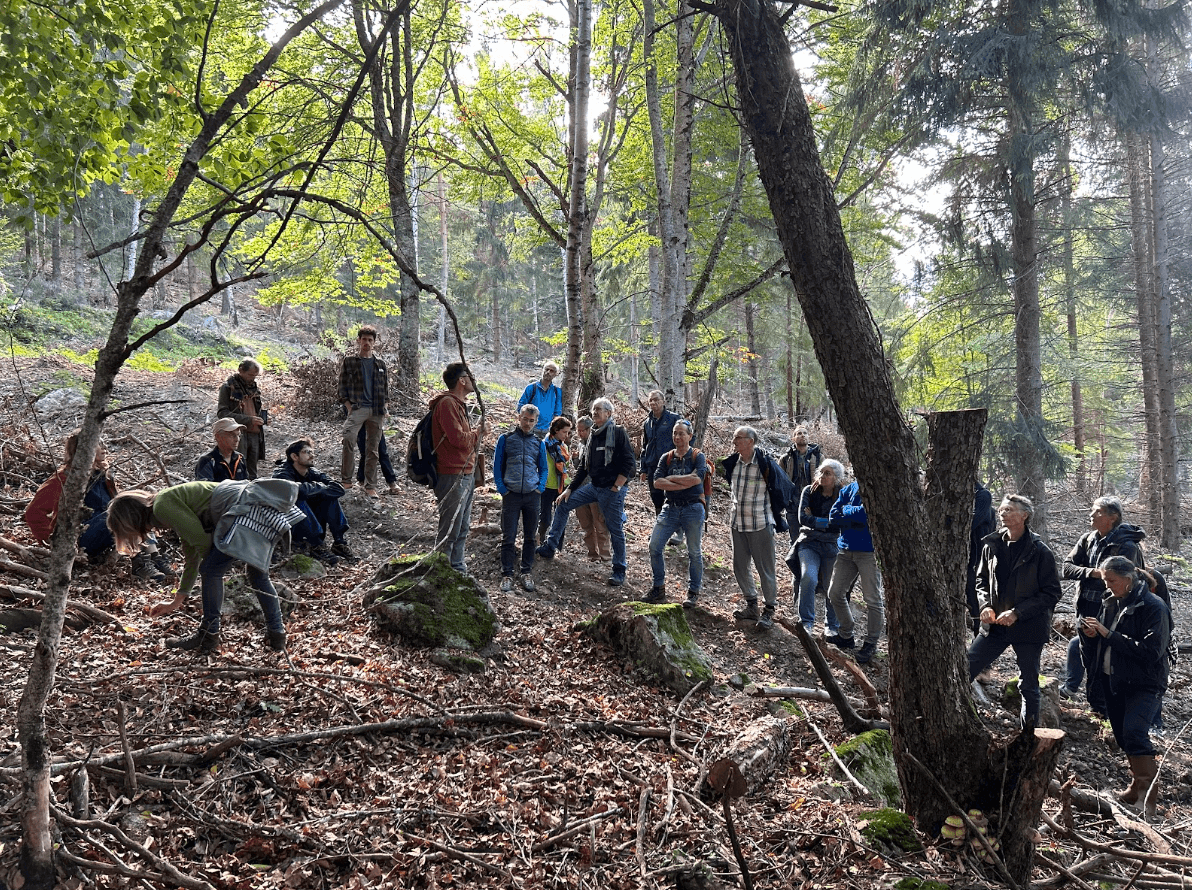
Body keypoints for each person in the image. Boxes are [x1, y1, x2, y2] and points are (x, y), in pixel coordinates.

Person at [106, 482, 291, 651]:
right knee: (256, 575)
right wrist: (175, 602)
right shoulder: (167, 507)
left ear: (131, 519)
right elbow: (192, 556)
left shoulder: (163, 506)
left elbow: (202, 543)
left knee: (211, 570)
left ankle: (208, 635)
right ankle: (277, 636)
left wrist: (211, 571)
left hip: (245, 509)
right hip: (256, 508)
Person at [1082, 556, 1171, 819]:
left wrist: (1108, 635)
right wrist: (1091, 635)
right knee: (1122, 736)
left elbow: (1151, 651)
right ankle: (1135, 788)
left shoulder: (1154, 607)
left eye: (1112, 580)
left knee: (1134, 733)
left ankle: (1148, 799)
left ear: (1129, 579)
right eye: (1105, 580)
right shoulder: (1110, 602)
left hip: (1145, 682)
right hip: (1115, 678)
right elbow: (1104, 640)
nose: (1107, 586)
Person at [967, 494, 1062, 729]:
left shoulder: (1040, 552)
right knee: (964, 669)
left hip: (1028, 628)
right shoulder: (991, 544)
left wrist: (1018, 612)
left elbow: (1051, 593)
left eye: (1008, 510)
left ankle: (1027, 737)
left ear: (1024, 516)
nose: (1002, 513)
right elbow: (980, 581)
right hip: (995, 626)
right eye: (1001, 510)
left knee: (1028, 684)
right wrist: (985, 605)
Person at [25, 429, 170, 581]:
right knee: (118, 513)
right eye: (99, 443)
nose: (104, 448)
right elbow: (33, 513)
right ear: (85, 448)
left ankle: (155, 557)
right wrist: (53, 543)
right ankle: (140, 563)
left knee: (134, 505)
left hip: (106, 532)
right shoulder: (64, 478)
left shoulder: (102, 474)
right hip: (81, 538)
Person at [1060, 496, 1146, 713]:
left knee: (1105, 657)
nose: (1091, 515)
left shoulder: (1126, 546)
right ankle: (1090, 700)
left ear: (1112, 517)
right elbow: (1067, 568)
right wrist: (1092, 572)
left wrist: (1104, 578)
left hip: (1111, 610)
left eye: (1097, 511)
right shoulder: (1088, 539)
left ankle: (1104, 708)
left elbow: (1128, 581)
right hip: (1085, 606)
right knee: (1085, 650)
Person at [537, 398, 636, 587]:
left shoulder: (617, 432)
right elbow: (584, 466)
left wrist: (617, 486)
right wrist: (570, 489)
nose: (595, 413)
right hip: (593, 487)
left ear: (609, 413)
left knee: (614, 529)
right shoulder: (593, 435)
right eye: (593, 410)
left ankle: (619, 569)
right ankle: (550, 546)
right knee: (563, 504)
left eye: (598, 409)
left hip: (612, 490)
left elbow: (629, 463)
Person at [716, 426, 795, 631]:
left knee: (765, 568)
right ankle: (751, 604)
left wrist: (779, 514)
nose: (734, 441)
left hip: (760, 523)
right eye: (734, 438)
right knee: (739, 566)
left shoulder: (765, 464)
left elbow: (785, 488)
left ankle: (769, 609)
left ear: (750, 441)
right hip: (738, 523)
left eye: (738, 438)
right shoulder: (734, 463)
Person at [429, 362, 486, 574]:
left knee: (462, 526)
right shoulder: (447, 404)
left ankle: (458, 569)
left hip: (466, 473)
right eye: (470, 376)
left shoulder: (458, 404)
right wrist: (478, 432)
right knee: (450, 528)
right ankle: (441, 571)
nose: (474, 380)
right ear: (462, 380)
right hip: (452, 474)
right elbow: (458, 440)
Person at [644, 419, 707, 607]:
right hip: (670, 507)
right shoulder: (667, 457)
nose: (677, 437)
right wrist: (682, 481)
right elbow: (657, 482)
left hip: (693, 508)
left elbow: (697, 480)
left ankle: (693, 592)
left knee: (694, 552)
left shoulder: (698, 456)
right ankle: (658, 588)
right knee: (654, 546)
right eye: (675, 433)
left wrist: (671, 479)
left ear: (690, 436)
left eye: (681, 433)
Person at [826, 478, 885, 664]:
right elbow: (833, 516)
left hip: (869, 551)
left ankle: (871, 642)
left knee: (872, 599)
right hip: (845, 549)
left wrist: (848, 512)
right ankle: (846, 634)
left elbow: (869, 514)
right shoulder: (850, 488)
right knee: (834, 593)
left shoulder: (879, 486)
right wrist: (855, 515)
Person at [494, 405, 548, 592]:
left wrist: (540, 488)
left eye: (531, 421)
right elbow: (497, 466)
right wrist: (502, 489)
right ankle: (507, 574)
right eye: (525, 419)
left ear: (536, 422)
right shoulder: (506, 439)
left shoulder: (539, 443)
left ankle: (526, 572)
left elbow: (544, 468)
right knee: (508, 536)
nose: (527, 423)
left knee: (530, 537)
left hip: (532, 496)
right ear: (519, 417)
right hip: (512, 495)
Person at [273, 438, 354, 562]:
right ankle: (315, 545)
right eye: (307, 452)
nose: (312, 456)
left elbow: (339, 489)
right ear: (294, 456)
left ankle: (339, 542)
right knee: (298, 500)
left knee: (329, 499)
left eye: (312, 452)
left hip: (310, 520)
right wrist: (319, 487)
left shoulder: (313, 472)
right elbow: (292, 491)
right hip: (289, 526)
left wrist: (316, 489)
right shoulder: (282, 474)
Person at [793, 459, 845, 634]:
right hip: (809, 542)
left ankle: (832, 626)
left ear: (836, 477)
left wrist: (815, 520)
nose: (823, 476)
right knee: (808, 578)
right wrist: (827, 522)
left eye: (828, 473)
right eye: (821, 472)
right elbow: (802, 518)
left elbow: (841, 524)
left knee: (833, 585)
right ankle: (806, 622)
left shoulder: (842, 494)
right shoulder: (809, 491)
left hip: (832, 545)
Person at [338, 325, 390, 495]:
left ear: (374, 342)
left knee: (373, 449)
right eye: (364, 339)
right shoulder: (350, 361)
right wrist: (348, 406)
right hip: (357, 408)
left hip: (376, 410)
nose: (366, 343)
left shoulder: (380, 364)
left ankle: (370, 486)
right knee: (348, 440)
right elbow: (342, 386)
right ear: (358, 341)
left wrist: (385, 407)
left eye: (370, 340)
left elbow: (385, 389)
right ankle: (346, 480)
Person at [217, 358, 266, 479]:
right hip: (238, 433)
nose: (252, 378)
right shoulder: (228, 388)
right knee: (238, 467)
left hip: (254, 433)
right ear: (240, 370)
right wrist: (248, 420)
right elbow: (223, 413)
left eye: (255, 376)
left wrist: (263, 419)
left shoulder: (254, 388)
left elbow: (257, 410)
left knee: (252, 471)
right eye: (250, 375)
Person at [572, 416, 613, 561]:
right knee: (586, 524)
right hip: (581, 490)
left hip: (596, 490)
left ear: (590, 429)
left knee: (600, 524)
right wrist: (575, 459)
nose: (580, 433)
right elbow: (580, 469)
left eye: (583, 430)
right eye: (578, 430)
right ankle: (592, 554)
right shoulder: (580, 444)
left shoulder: (598, 443)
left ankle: (605, 556)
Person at [639, 390, 681, 517]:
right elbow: (645, 446)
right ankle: (660, 522)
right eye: (651, 400)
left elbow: (689, 437)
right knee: (656, 496)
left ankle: (675, 525)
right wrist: (643, 469)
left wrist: (682, 456)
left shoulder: (674, 418)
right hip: (653, 465)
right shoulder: (647, 423)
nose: (653, 402)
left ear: (663, 401)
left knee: (672, 494)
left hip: (671, 464)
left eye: (656, 399)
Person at [965, 481, 997, 635]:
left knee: (976, 596)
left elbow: (971, 524)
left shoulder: (983, 495)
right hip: (968, 560)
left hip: (978, 561)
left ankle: (980, 635)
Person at [539, 416, 573, 544]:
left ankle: (556, 545)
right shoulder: (544, 445)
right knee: (545, 518)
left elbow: (566, 466)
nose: (566, 435)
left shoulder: (564, 447)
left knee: (560, 517)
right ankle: (540, 539)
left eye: (568, 432)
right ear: (556, 430)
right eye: (564, 432)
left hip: (561, 485)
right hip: (547, 486)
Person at [195, 418, 249, 483]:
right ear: (218, 437)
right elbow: (206, 489)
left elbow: (246, 484)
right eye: (232, 435)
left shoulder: (240, 458)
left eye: (238, 435)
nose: (237, 439)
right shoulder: (207, 460)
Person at [517, 361, 563, 437]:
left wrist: (553, 429)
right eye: (546, 369)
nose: (548, 372)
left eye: (551, 371)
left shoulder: (557, 391)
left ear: (555, 374)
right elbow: (521, 407)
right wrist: (527, 422)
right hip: (530, 428)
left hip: (547, 431)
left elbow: (557, 412)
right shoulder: (531, 388)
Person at [355, 423, 398, 495]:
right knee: (365, 452)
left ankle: (391, 482)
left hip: (375, 420)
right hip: (359, 421)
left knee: (382, 452)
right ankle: (361, 480)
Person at [778, 425, 822, 494]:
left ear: (808, 437)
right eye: (799, 433)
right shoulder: (785, 458)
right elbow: (779, 480)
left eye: (805, 433)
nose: (803, 435)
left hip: (812, 497)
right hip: (792, 499)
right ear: (793, 439)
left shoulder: (818, 457)